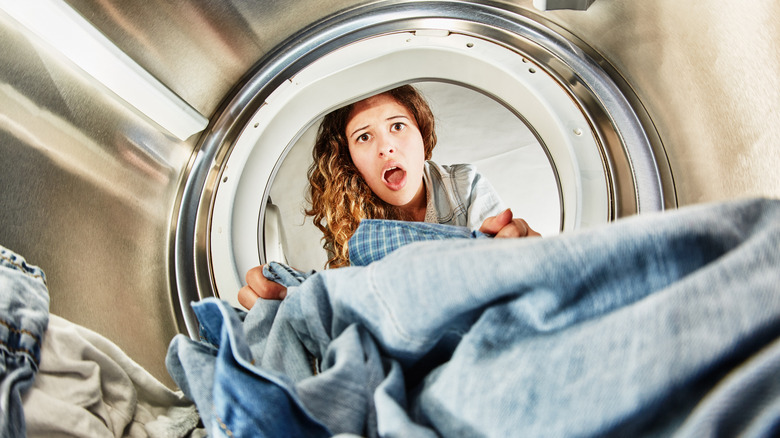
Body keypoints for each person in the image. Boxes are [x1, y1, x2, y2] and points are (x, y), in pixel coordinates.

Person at [238, 85, 539, 309]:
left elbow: (506, 268)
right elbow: (355, 305)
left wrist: (523, 253)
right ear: (350, 160)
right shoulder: (349, 220)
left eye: (397, 126)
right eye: (364, 137)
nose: (386, 148)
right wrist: (288, 294)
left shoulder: (463, 184)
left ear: (422, 134)